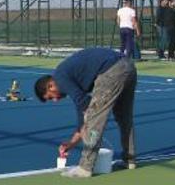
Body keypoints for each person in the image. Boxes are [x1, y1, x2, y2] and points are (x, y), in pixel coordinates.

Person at [34, 48, 137, 178]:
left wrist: (88, 122)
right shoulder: (68, 75)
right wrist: (72, 143)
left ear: (50, 86)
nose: (55, 100)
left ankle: (85, 167)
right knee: (124, 117)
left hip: (110, 71)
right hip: (128, 65)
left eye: (50, 97)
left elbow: (85, 105)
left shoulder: (59, 77)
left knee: (94, 119)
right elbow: (81, 106)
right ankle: (130, 160)